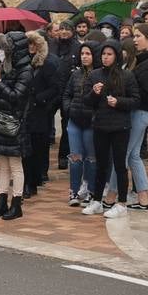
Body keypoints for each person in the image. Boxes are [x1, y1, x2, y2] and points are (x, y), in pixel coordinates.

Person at [87, 42, 139, 217]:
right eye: (103, 54)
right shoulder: (94, 74)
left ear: (116, 56)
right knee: (101, 164)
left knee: (119, 165)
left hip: (120, 126)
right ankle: (96, 200)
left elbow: (135, 100)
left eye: (109, 54)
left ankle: (122, 202)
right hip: (100, 124)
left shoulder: (127, 75)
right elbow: (86, 101)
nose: (105, 57)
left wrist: (119, 102)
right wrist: (94, 92)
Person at [0, 31, 35, 220]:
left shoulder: (26, 70)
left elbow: (16, 96)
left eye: (5, 49)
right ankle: (1, 202)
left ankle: (17, 203)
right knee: (3, 164)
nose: (2, 53)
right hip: (2, 120)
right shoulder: (8, 67)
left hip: (15, 122)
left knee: (15, 165)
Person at [19, 30, 62, 198]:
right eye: (28, 44)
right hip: (25, 112)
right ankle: (27, 183)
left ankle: (34, 181)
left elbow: (55, 88)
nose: (31, 47)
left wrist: (40, 99)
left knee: (38, 148)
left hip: (39, 111)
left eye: (33, 44)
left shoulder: (48, 64)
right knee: (25, 149)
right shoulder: (23, 63)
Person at [124, 24, 148, 210]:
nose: (134, 39)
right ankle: (143, 199)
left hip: (140, 112)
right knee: (133, 156)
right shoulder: (146, 60)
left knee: (123, 154)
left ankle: (116, 197)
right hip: (142, 111)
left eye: (138, 36)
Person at [61, 43, 99, 207]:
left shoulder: (99, 75)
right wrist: (69, 108)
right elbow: (67, 94)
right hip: (75, 120)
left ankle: (91, 191)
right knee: (75, 157)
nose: (84, 56)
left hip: (91, 122)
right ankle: (74, 191)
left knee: (91, 158)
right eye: (82, 53)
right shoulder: (75, 74)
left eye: (88, 54)